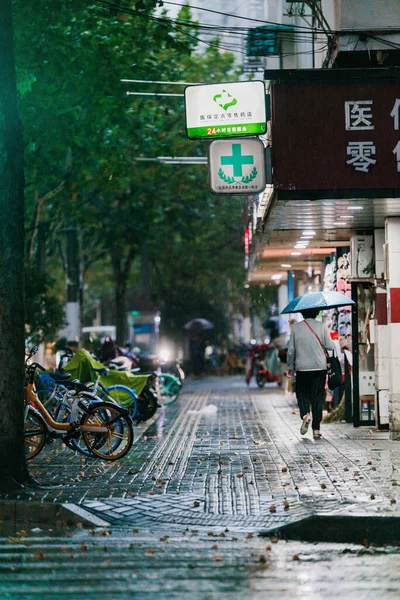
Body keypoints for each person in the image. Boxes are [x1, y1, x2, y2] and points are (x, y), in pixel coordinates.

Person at [286, 308, 334, 440]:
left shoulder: (296, 327)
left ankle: (305, 414)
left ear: (302, 313)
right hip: (319, 367)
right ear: (316, 312)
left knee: (302, 393)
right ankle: (316, 430)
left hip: (302, 368)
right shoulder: (322, 326)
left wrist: (290, 367)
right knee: (317, 398)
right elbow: (330, 346)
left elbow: (291, 350)